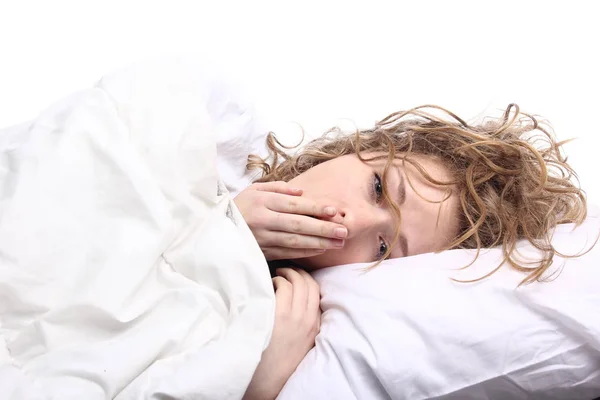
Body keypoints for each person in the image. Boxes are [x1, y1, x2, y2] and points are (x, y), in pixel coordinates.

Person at [236, 104, 589, 399]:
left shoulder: (294, 335)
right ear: (356, 150)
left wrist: (258, 386)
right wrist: (226, 226)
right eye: (378, 187)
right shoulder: (213, 156)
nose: (353, 222)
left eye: (383, 248)